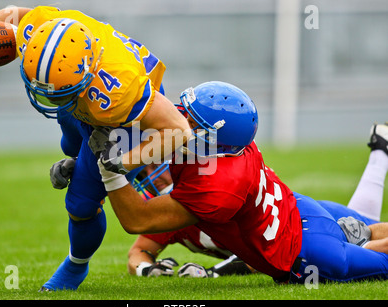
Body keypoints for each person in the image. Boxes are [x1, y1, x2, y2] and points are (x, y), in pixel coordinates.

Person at [0, 5, 191, 291]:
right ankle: (80, 159)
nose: (45, 97)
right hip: (82, 97)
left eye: (57, 91)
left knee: (81, 203)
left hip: (124, 121)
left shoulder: (117, 90)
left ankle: (76, 264)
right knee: (68, 132)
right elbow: (14, 14)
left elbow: (177, 130)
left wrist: (122, 162)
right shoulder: (38, 30)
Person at [90, 80, 388, 283]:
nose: (180, 121)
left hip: (304, 253)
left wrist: (108, 171)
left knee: (376, 253)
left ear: (215, 139)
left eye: (192, 122)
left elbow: (137, 221)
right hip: (302, 211)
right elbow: (162, 134)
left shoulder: (216, 186)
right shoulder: (230, 145)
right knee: (368, 229)